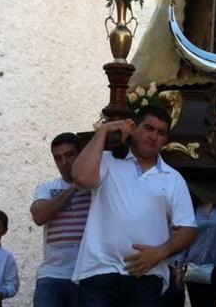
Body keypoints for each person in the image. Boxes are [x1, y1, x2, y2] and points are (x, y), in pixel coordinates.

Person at [70, 106, 197, 307]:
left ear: (165, 140)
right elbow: (81, 177)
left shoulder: (173, 178)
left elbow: (188, 229)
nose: (154, 136)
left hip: (147, 277)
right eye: (148, 128)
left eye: (161, 132)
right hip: (100, 272)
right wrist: (103, 131)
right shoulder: (106, 162)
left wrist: (160, 253)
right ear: (133, 128)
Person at [30, 132, 90, 307]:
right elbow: (39, 216)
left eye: (69, 155)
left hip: (87, 274)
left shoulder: (95, 186)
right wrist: (73, 188)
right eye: (58, 158)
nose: (64, 163)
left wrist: (83, 179)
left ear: (80, 154)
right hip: (52, 275)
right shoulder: (47, 188)